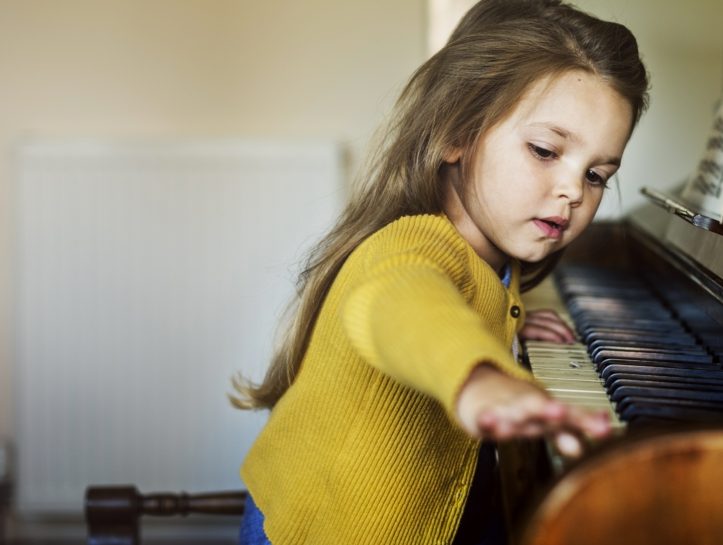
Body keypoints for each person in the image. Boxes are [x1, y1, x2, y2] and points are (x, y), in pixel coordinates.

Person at [232, 1, 649, 543]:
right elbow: (404, 305)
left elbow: (464, 300)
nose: (573, 190)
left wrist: (504, 327)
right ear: (455, 133)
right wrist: (478, 376)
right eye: (545, 151)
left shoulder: (497, 253)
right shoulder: (410, 246)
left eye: (596, 174)